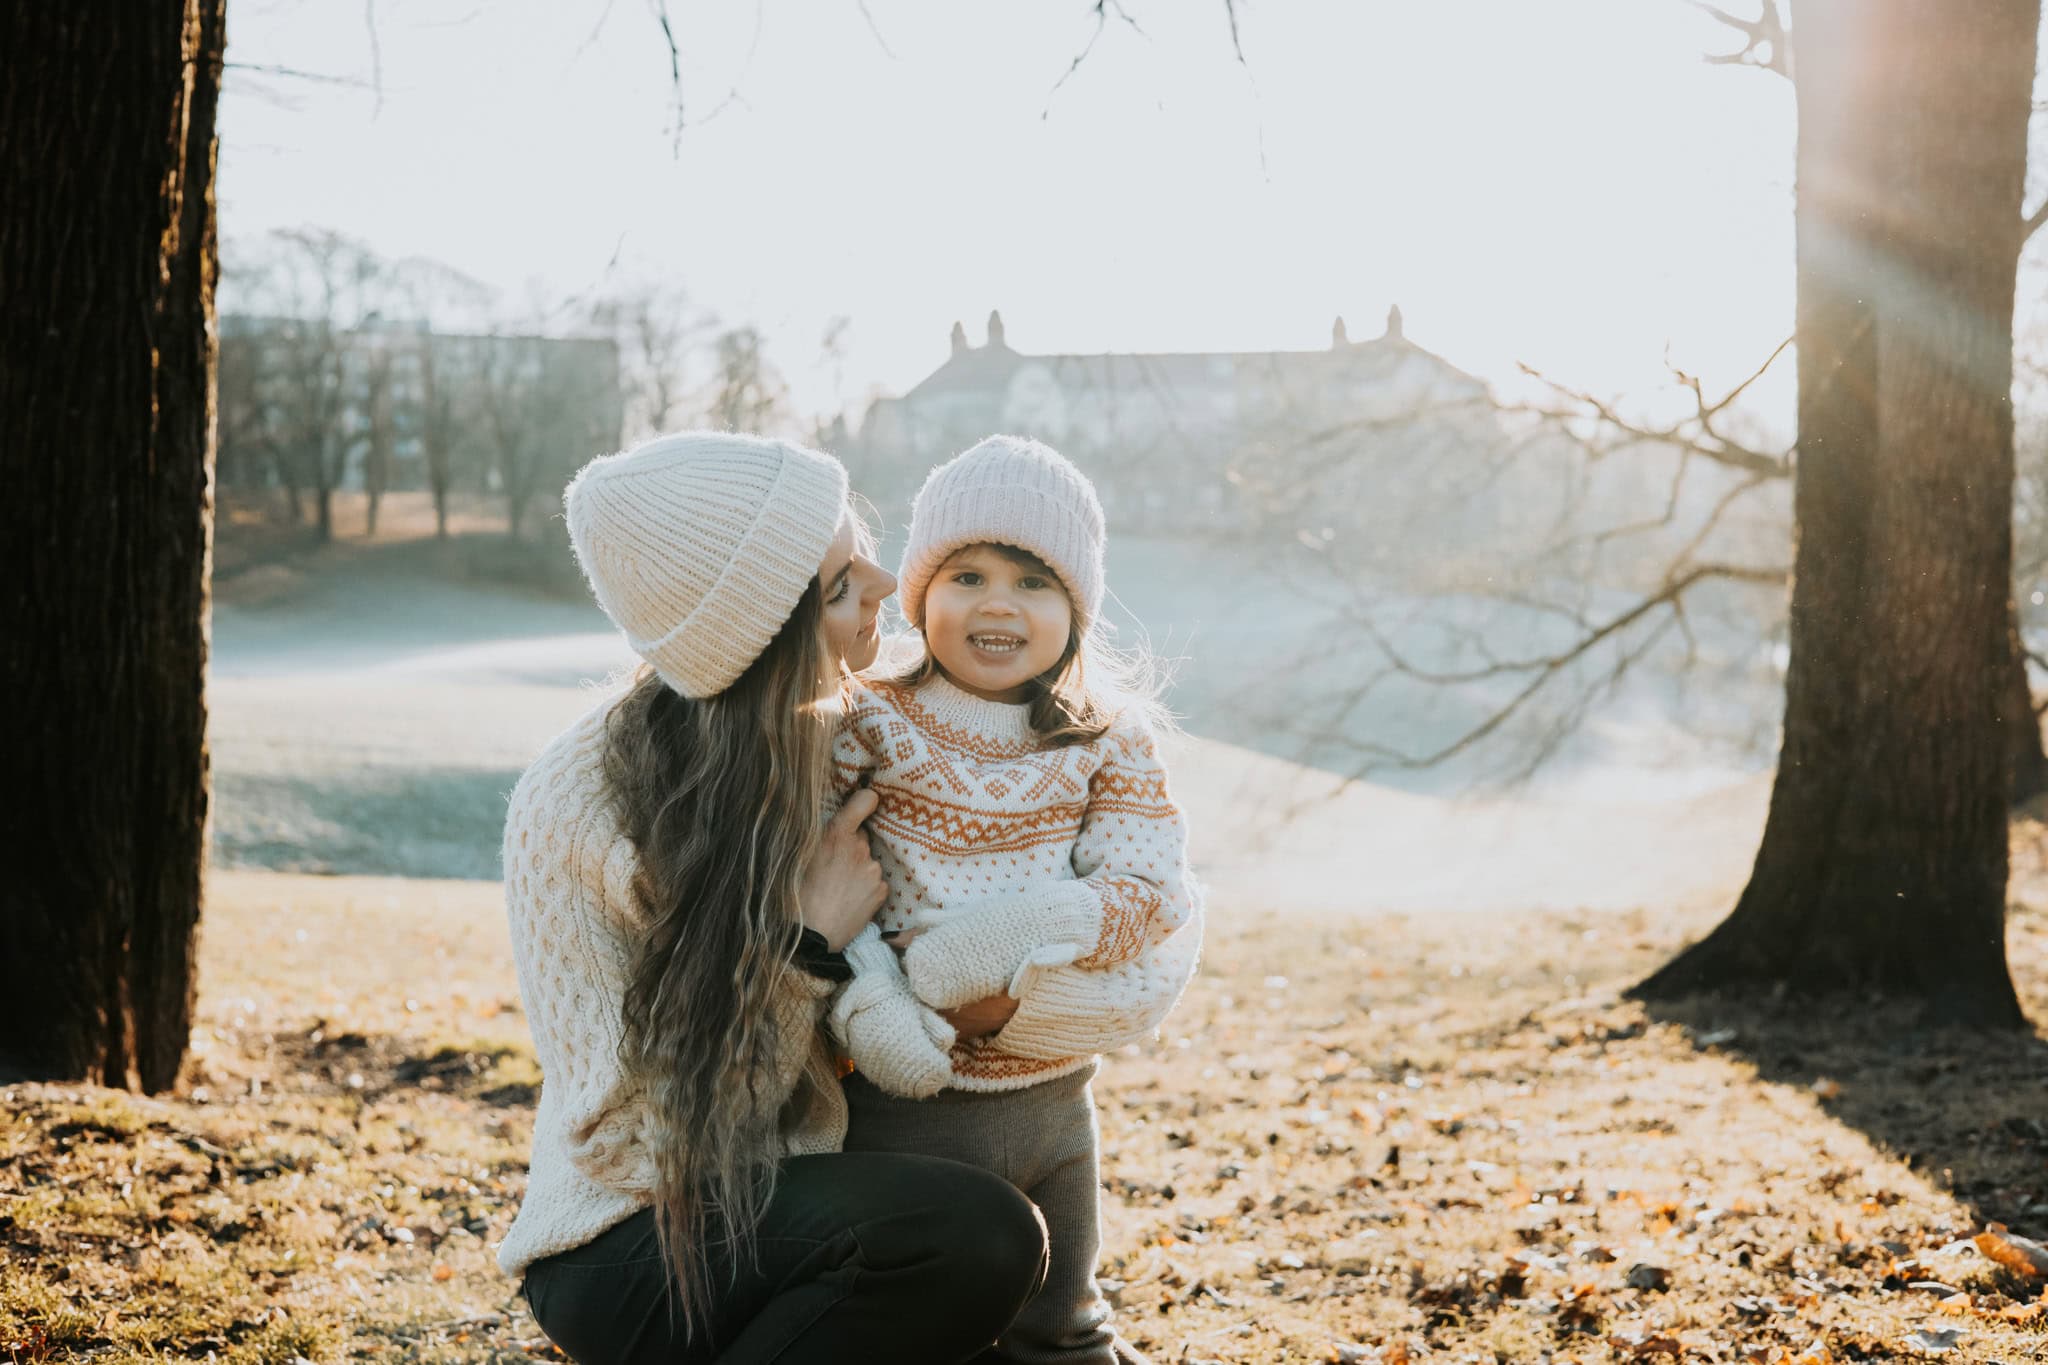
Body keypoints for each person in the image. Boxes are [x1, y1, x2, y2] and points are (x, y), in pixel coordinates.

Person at [496, 431, 1051, 1365]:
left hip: (794, 1212)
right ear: (764, 643)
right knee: (981, 1235)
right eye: (839, 585)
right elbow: (641, 1142)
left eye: (857, 543)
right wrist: (805, 948)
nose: (882, 582)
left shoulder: (841, 737)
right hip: (633, 1243)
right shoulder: (583, 809)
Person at [825, 435, 1203, 1365]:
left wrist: (1023, 931)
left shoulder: (1107, 738)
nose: (998, 602)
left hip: (1052, 1105)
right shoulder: (866, 717)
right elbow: (824, 879)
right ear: (919, 593)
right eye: (968, 575)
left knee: (1063, 1324)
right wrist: (870, 992)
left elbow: (1150, 889)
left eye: (1034, 581)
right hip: (896, 1105)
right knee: (919, 1325)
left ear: (1075, 607)